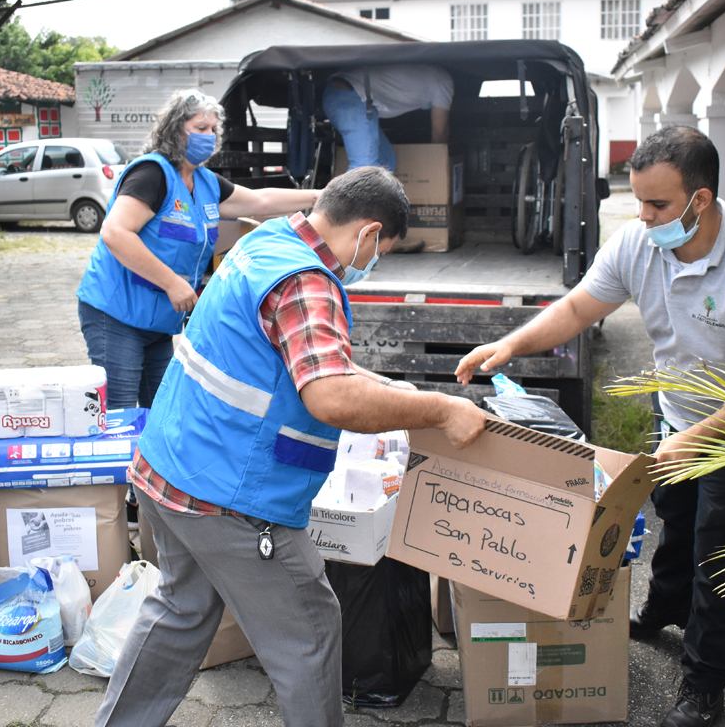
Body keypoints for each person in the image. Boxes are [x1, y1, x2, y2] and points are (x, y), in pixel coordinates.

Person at [92, 166, 487, 727]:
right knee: (310, 631)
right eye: (382, 252)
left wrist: (390, 390)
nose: (372, 263)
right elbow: (330, 397)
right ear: (369, 232)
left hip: (168, 470)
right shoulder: (308, 282)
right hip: (231, 500)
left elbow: (294, 358)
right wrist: (442, 409)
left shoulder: (267, 242)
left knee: (181, 611)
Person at [456, 126, 725, 727]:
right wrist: (510, 345)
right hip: (675, 414)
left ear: (700, 199)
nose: (643, 217)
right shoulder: (638, 245)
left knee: (720, 557)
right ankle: (665, 607)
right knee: (675, 519)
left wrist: (695, 439)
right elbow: (577, 307)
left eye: (657, 204)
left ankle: (704, 685)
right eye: (638, 201)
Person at [76, 89, 319, 409]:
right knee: (120, 410)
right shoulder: (151, 174)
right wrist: (172, 283)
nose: (209, 135)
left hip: (158, 320)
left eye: (213, 129)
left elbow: (260, 201)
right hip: (117, 313)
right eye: (200, 127)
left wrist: (319, 197)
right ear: (175, 130)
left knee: (160, 408)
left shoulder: (206, 183)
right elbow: (115, 232)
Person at [322, 64, 453, 171]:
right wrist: (441, 165)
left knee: (386, 163)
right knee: (364, 169)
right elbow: (439, 132)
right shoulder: (444, 82)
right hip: (352, 97)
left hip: (344, 95)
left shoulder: (427, 73)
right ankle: (344, 197)